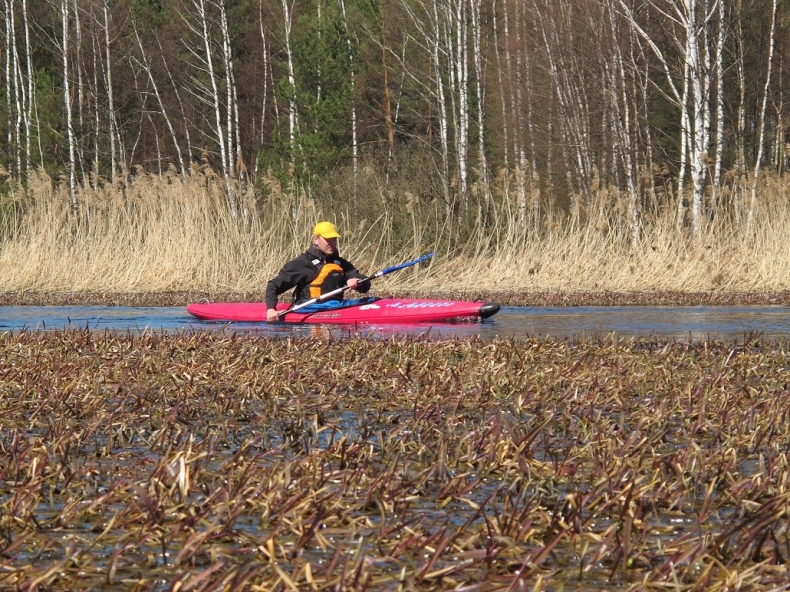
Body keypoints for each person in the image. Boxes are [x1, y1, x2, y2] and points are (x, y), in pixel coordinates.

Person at [265, 221, 371, 321]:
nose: (332, 243)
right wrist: (271, 309)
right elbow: (273, 285)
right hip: (309, 308)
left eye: (334, 239)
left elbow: (365, 285)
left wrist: (358, 282)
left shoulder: (339, 263)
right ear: (315, 239)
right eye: (328, 239)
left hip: (337, 306)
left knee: (372, 300)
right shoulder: (303, 263)